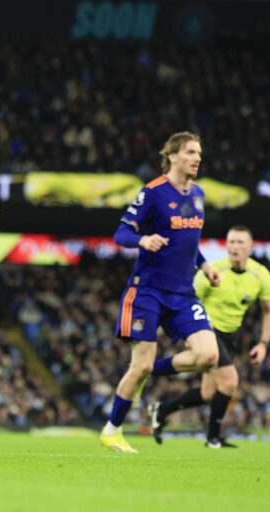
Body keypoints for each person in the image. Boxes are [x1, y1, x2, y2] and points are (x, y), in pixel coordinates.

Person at [100, 131, 221, 453]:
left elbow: (187, 241)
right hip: (148, 291)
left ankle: (151, 369)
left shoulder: (198, 194)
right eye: (191, 152)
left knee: (209, 355)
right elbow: (121, 232)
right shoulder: (153, 192)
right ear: (172, 156)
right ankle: (112, 430)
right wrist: (142, 240)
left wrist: (205, 266)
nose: (197, 158)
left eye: (199, 152)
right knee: (138, 366)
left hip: (184, 294)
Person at [149, 225, 270, 448]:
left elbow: (267, 310)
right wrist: (191, 330)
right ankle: (213, 438)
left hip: (231, 335)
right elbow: (187, 301)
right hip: (208, 331)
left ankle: (162, 410)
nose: (235, 246)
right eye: (231, 241)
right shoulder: (212, 272)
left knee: (207, 394)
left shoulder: (261, 275)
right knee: (230, 381)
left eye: (240, 242)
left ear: (251, 246)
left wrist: (263, 344)